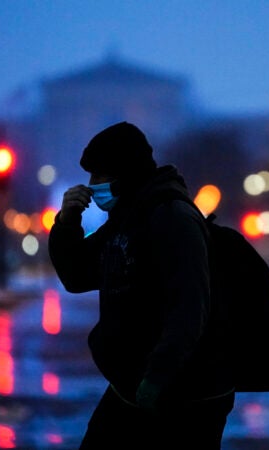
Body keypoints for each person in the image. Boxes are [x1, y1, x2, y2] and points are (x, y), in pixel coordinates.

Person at [48, 121, 235, 449]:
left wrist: (157, 376)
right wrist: (67, 223)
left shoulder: (171, 217)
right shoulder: (127, 218)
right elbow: (77, 276)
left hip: (185, 391)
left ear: (124, 174)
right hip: (135, 385)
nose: (91, 187)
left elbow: (189, 307)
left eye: (99, 176)